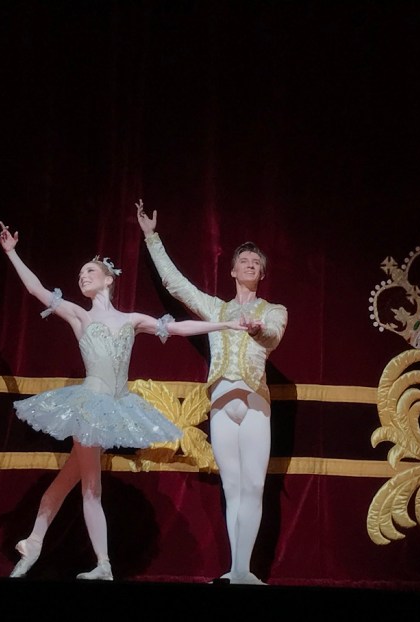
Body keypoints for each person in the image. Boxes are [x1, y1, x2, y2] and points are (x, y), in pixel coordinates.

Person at [0, 220, 249, 581]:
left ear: (108, 279)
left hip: (115, 404)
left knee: (68, 480)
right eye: (80, 273)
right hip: (89, 407)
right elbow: (37, 289)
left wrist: (225, 326)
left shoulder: (131, 320)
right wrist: (12, 253)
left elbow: (178, 329)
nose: (82, 276)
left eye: (89, 271)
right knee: (91, 487)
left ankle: (35, 541)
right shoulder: (79, 317)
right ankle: (102, 564)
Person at [135, 200, 288, 585]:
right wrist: (152, 237)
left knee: (254, 486)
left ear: (262, 273)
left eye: (257, 262)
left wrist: (257, 330)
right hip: (221, 405)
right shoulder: (216, 309)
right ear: (233, 270)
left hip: (254, 405)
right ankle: (237, 571)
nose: (250, 264)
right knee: (232, 487)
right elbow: (176, 285)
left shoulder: (274, 311)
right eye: (245, 260)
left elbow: (273, 336)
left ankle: (243, 571)